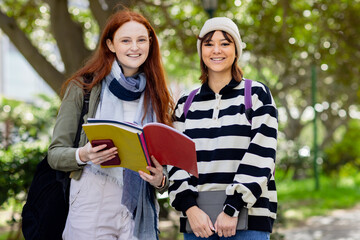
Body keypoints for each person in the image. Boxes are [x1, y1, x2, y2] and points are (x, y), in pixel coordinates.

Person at [47, 9, 174, 240]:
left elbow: (167, 166)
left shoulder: (158, 95)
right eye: (125, 40)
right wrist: (84, 154)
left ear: (150, 44)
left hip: (139, 203)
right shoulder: (83, 87)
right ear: (110, 44)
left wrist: (161, 179)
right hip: (93, 196)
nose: (134, 47)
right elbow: (55, 154)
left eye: (141, 40)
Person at [168, 17, 278, 240]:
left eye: (225, 43)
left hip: (249, 222)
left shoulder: (257, 95)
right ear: (201, 51)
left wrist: (232, 208)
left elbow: (262, 154)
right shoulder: (185, 103)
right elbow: (175, 161)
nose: (216, 50)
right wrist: (190, 209)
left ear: (236, 50)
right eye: (208, 44)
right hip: (198, 224)